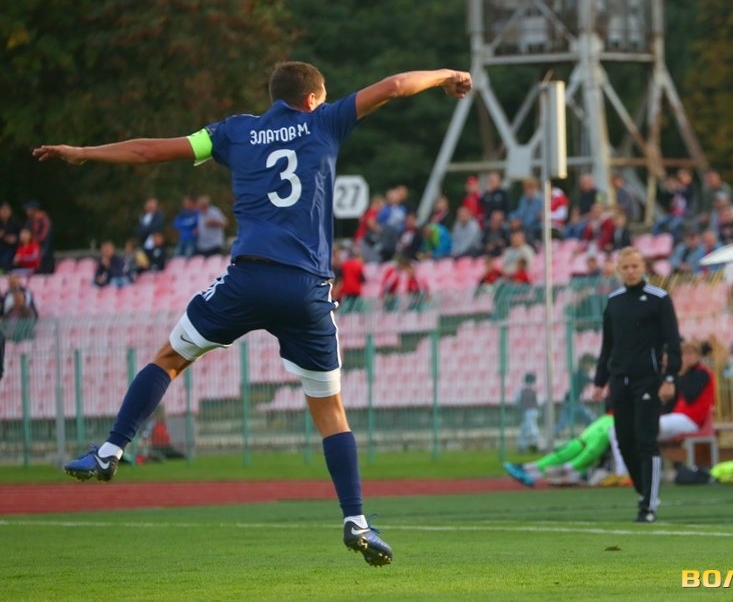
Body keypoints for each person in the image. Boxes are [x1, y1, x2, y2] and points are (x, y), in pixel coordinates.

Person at [35, 61, 472, 566]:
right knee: (330, 412)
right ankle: (356, 521)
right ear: (312, 98)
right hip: (306, 288)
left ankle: (111, 451)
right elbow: (395, 86)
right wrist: (447, 75)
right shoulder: (325, 121)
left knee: (170, 358)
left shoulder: (233, 132)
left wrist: (83, 152)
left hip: (248, 279)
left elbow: (148, 151)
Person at [593, 246, 681, 523]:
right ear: (618, 270)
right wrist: (600, 381)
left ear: (643, 267)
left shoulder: (659, 298)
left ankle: (648, 506)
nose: (631, 271)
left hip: (648, 381)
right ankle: (645, 490)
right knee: (624, 441)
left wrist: (669, 377)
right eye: (626, 267)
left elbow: (672, 341)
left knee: (646, 440)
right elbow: (608, 345)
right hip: (620, 381)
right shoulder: (614, 301)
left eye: (635, 266)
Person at [504, 413, 615, 487]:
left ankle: (529, 470)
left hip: (601, 430)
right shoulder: (609, 424)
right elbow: (592, 451)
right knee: (571, 451)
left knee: (571, 451)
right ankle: (528, 470)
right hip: (604, 430)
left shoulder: (607, 422)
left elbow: (592, 451)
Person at [658, 341, 716, 440]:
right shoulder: (686, 374)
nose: (687, 357)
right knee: (649, 428)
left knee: (652, 426)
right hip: (680, 417)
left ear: (698, 356)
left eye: (691, 353)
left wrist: (682, 373)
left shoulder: (702, 372)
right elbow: (671, 403)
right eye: (684, 354)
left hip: (692, 420)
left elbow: (690, 395)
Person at [555, 354, 597, 436]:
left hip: (573, 399)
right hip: (573, 400)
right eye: (590, 364)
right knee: (589, 417)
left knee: (566, 418)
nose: (591, 367)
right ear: (585, 364)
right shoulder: (581, 373)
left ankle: (556, 431)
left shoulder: (580, 372)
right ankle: (556, 431)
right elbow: (591, 380)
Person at [515, 372, 541, 453]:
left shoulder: (522, 390)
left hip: (528, 411)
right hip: (532, 411)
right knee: (527, 428)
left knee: (531, 428)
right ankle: (524, 445)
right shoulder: (533, 390)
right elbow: (539, 401)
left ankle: (536, 444)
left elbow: (516, 401)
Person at [0, 201, 22, 272]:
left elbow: (23, 235)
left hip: (12, 248)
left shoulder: (15, 222)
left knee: (6, 260)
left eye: (6, 210)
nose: (4, 212)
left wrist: (16, 239)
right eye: (3, 210)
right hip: (1, 246)